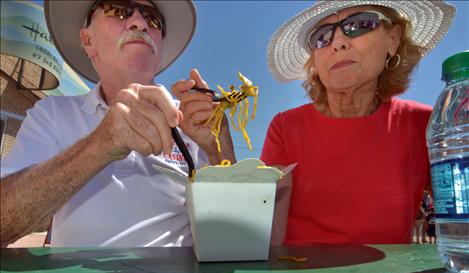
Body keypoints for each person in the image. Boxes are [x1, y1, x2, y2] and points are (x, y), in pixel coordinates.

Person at [0, 0, 235, 247]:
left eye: (153, 18)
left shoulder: (196, 121)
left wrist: (220, 151)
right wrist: (102, 144)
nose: (141, 23)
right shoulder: (52, 113)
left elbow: (233, 237)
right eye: (119, 8)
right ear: (88, 41)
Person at [260, 1, 455, 244]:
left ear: (393, 39)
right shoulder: (285, 127)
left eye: (359, 25)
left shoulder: (425, 123)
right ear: (315, 61)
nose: (339, 43)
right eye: (322, 37)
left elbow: (460, 212)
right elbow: (265, 232)